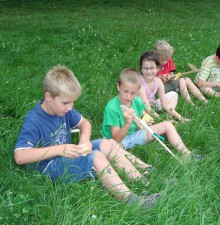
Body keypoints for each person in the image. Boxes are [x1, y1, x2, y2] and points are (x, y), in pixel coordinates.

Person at [14, 65, 159, 208]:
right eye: (66, 103)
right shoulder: (34, 120)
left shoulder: (64, 109)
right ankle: (132, 201)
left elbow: (85, 123)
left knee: (106, 143)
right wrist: (60, 149)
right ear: (48, 97)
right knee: (96, 156)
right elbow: (20, 156)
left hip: (67, 154)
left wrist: (84, 140)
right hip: (47, 166)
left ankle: (143, 179)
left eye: (72, 102)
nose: (70, 107)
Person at [100, 68, 202, 162]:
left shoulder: (138, 101)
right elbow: (116, 138)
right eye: (125, 91)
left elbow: (142, 114)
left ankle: (187, 154)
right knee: (113, 149)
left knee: (167, 125)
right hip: (117, 142)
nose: (128, 96)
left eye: (133, 93)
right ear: (118, 86)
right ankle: (142, 168)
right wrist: (127, 123)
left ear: (138, 91)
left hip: (134, 135)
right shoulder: (112, 108)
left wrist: (145, 119)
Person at [138, 51, 188, 122]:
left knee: (174, 94)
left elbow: (165, 104)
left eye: (152, 68)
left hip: (153, 105)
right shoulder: (140, 83)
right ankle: (164, 121)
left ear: (158, 68)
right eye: (146, 68)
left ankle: (169, 116)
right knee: (143, 113)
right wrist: (162, 120)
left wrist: (180, 117)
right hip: (142, 107)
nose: (149, 71)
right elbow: (147, 107)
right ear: (141, 69)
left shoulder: (158, 81)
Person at [154, 40, 208, 105]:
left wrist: (171, 77)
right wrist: (160, 77)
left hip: (170, 82)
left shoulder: (169, 60)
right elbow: (149, 80)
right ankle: (190, 103)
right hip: (160, 87)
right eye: (162, 60)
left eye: (167, 60)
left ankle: (204, 100)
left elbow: (172, 74)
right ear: (156, 56)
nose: (165, 62)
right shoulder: (152, 63)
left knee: (186, 79)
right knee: (181, 81)